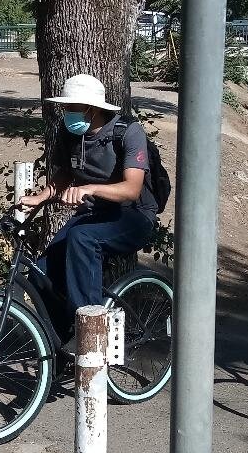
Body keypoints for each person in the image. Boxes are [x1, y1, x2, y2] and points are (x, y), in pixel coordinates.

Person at [19, 74, 157, 345]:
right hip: (95, 216)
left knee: (83, 238)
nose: (66, 113)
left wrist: (89, 189)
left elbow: (132, 189)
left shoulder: (128, 132)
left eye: (71, 108)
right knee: (40, 274)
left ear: (91, 109)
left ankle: (89, 334)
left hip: (133, 215)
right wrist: (41, 197)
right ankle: (61, 344)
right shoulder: (68, 132)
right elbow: (63, 177)